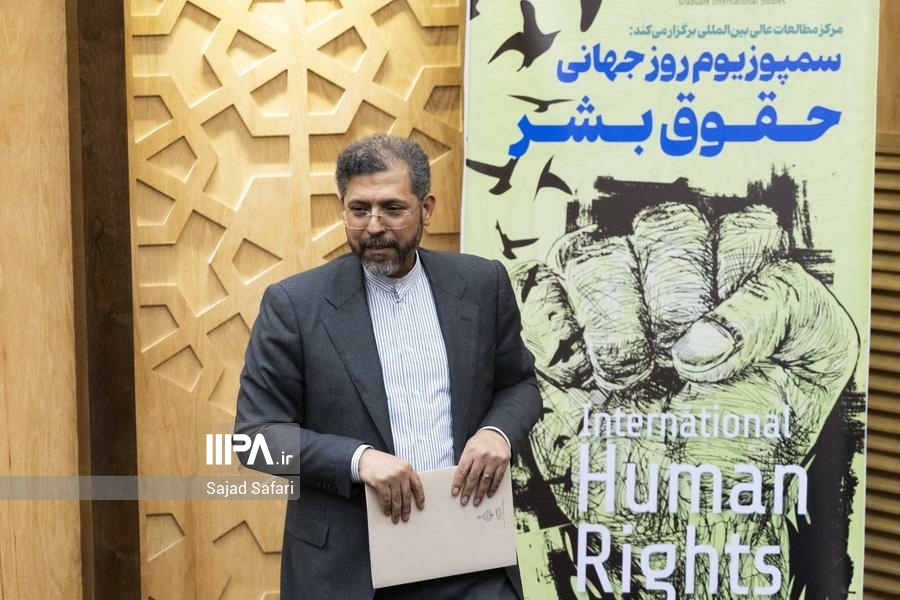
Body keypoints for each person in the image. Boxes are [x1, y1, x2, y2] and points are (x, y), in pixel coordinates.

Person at [235, 133, 543, 599]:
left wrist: (496, 433)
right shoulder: (294, 305)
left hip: (471, 560)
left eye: (393, 209)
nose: (374, 226)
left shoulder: (482, 284)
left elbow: (519, 385)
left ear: (426, 207)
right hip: (349, 570)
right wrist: (357, 460)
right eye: (359, 210)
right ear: (342, 208)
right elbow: (255, 439)